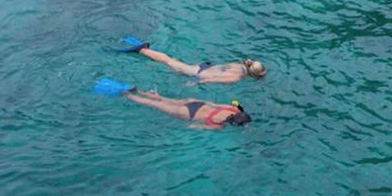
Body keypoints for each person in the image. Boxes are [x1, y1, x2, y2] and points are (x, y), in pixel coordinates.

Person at [91, 78, 252, 129]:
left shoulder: (231, 108)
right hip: (189, 114)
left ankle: (137, 90)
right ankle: (124, 93)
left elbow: (212, 102)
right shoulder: (219, 125)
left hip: (195, 103)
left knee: (161, 98)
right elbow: (193, 126)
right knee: (152, 105)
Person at [119, 36, 266, 84]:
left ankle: (146, 52)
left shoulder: (240, 65)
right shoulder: (236, 77)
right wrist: (196, 83)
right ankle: (142, 49)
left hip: (204, 66)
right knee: (168, 62)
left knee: (174, 62)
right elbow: (213, 80)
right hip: (199, 73)